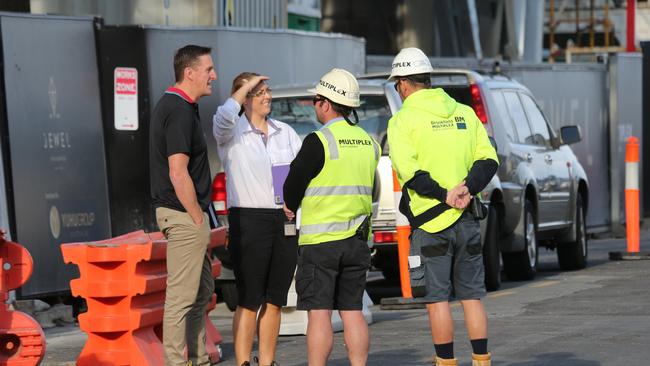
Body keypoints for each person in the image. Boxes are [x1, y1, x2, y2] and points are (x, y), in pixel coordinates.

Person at [386, 47, 498, 366]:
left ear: (404, 83)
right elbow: (488, 159)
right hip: (468, 220)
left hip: (430, 224)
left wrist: (443, 194)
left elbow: (409, 172)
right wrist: (466, 188)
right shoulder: (463, 112)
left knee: (437, 301)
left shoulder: (403, 120)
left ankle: (446, 363)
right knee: (472, 297)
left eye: (397, 84)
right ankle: (481, 361)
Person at [283, 68, 380, 366]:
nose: (314, 105)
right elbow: (373, 188)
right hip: (357, 241)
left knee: (320, 313)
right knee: (352, 310)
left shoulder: (318, 141)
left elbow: (292, 186)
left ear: (325, 103)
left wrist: (290, 204)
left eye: (315, 100)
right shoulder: (368, 142)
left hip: (321, 243)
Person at [213, 72, 301, 366]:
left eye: (267, 90)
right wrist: (244, 88)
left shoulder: (284, 132)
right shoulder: (232, 132)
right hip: (248, 220)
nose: (267, 96)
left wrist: (294, 202)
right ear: (245, 97)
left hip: (283, 220)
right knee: (250, 299)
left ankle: (267, 361)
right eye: (258, 91)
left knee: (276, 298)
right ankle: (242, 362)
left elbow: (299, 175)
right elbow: (223, 115)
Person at [149, 45, 217, 366]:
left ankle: (199, 359)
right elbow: (178, 172)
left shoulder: (183, 107)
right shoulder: (177, 109)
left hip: (186, 213)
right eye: (208, 70)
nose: (213, 75)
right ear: (189, 73)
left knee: (201, 292)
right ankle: (178, 363)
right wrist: (196, 219)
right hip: (182, 214)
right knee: (181, 298)